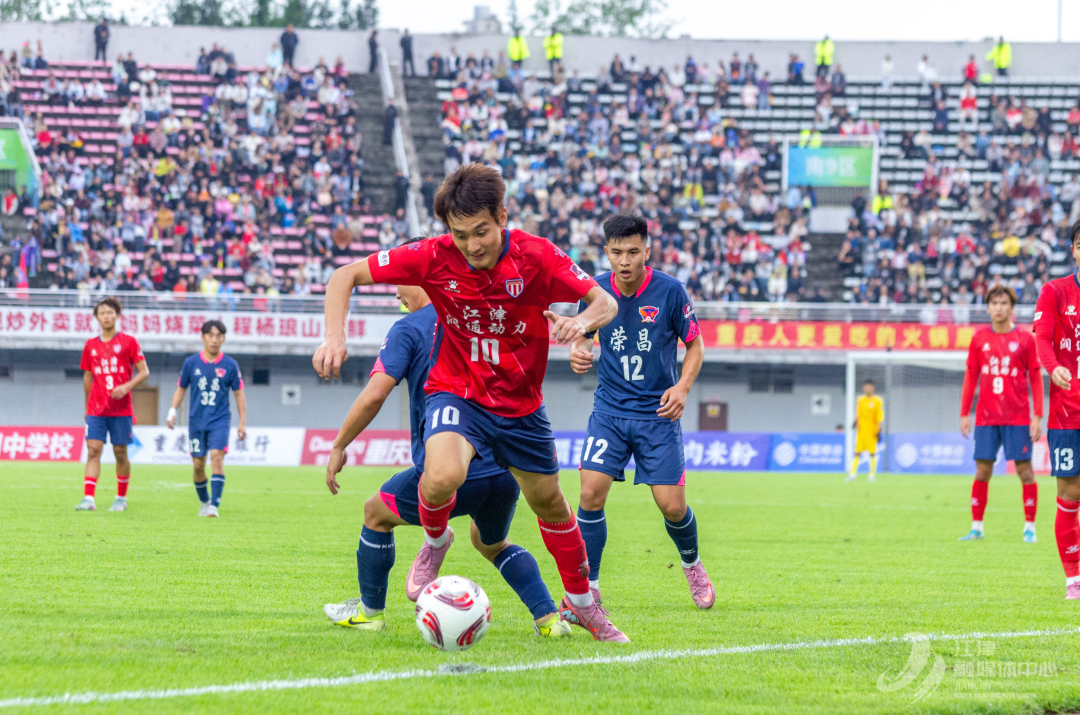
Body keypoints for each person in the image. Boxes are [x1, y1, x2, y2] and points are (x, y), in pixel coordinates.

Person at [313, 164, 627, 641]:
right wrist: (334, 337)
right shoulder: (432, 255)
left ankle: (583, 606)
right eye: (460, 235)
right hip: (457, 392)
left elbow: (605, 302)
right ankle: (436, 539)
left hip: (521, 408)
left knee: (551, 504)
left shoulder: (538, 256)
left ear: (502, 216)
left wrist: (580, 323)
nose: (472, 245)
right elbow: (345, 275)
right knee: (440, 476)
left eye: (481, 231)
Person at [321, 283, 572, 637]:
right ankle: (549, 620)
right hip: (504, 467)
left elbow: (376, 393)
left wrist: (339, 445)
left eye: (400, 281)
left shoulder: (410, 327)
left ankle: (369, 612)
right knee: (492, 544)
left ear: (420, 277)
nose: (396, 294)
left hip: (450, 468)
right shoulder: (480, 318)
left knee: (375, 513)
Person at [568, 214, 713, 609]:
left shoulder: (671, 292)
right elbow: (582, 336)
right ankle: (589, 589)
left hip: (657, 414)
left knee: (673, 507)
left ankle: (692, 564)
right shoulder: (594, 291)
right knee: (589, 493)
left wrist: (682, 388)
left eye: (633, 252)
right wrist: (579, 351)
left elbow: (696, 345)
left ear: (647, 252)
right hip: (610, 412)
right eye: (617, 252)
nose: (625, 260)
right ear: (607, 253)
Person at [958, 286, 1042, 542]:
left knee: (1025, 471)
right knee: (982, 471)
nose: (998, 307)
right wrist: (964, 413)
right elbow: (971, 376)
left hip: (1018, 418)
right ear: (987, 307)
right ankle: (977, 527)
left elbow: (1036, 377)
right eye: (994, 303)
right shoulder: (979, 339)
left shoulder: (1026, 339)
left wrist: (1037, 416)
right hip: (986, 418)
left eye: (1004, 303)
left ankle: (1030, 528)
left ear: (1012, 307)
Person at [1032, 219, 1080, 599]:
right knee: (1069, 493)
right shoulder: (1055, 291)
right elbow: (1042, 340)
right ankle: (1073, 580)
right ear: (1074, 250)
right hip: (1067, 413)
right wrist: (1054, 367)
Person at [165, 320, 247, 518]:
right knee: (198, 465)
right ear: (202, 337)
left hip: (220, 420)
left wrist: (242, 421)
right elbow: (181, 388)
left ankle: (214, 506)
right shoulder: (191, 363)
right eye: (210, 335)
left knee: (216, 457)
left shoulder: (230, 365)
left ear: (223, 338)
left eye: (219, 336)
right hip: (197, 421)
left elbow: (239, 393)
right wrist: (172, 410)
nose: (214, 340)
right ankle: (205, 502)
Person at [76, 298, 149, 512]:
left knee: (120, 452)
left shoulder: (129, 342)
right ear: (97, 317)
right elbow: (87, 376)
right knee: (93, 450)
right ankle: (88, 499)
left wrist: (127, 386)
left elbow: (144, 371)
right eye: (102, 313)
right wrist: (86, 407)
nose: (106, 316)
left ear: (117, 315)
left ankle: (121, 498)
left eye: (110, 312)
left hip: (121, 410)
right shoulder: (90, 345)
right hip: (96, 409)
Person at [847, 380, 883, 482]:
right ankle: (852, 474)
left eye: (867, 386)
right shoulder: (860, 400)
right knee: (857, 453)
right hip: (861, 432)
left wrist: (879, 431)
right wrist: (855, 422)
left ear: (872, 387)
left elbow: (879, 417)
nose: (865, 388)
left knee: (872, 454)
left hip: (872, 432)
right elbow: (858, 414)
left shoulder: (877, 401)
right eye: (864, 387)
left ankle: (872, 475)